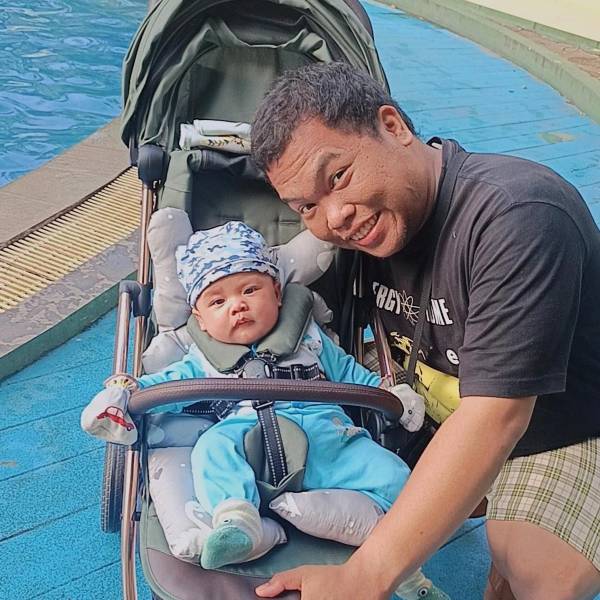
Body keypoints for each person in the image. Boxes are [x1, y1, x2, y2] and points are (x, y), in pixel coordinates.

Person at [250, 62, 600, 600]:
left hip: (564, 423)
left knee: (536, 569)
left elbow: (496, 418)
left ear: (392, 127)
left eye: (337, 177)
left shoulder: (517, 215)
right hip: (443, 401)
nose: (334, 217)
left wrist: (364, 576)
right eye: (307, 207)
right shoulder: (361, 233)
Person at [81, 220, 448, 600]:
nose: (237, 305)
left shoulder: (311, 339)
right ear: (200, 319)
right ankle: (237, 520)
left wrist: (390, 394)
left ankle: (401, 566)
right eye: (218, 302)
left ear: (277, 293)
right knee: (211, 450)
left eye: (250, 290)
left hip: (325, 433)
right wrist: (124, 392)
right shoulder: (200, 360)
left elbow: (351, 374)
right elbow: (163, 386)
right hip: (244, 437)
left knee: (393, 473)